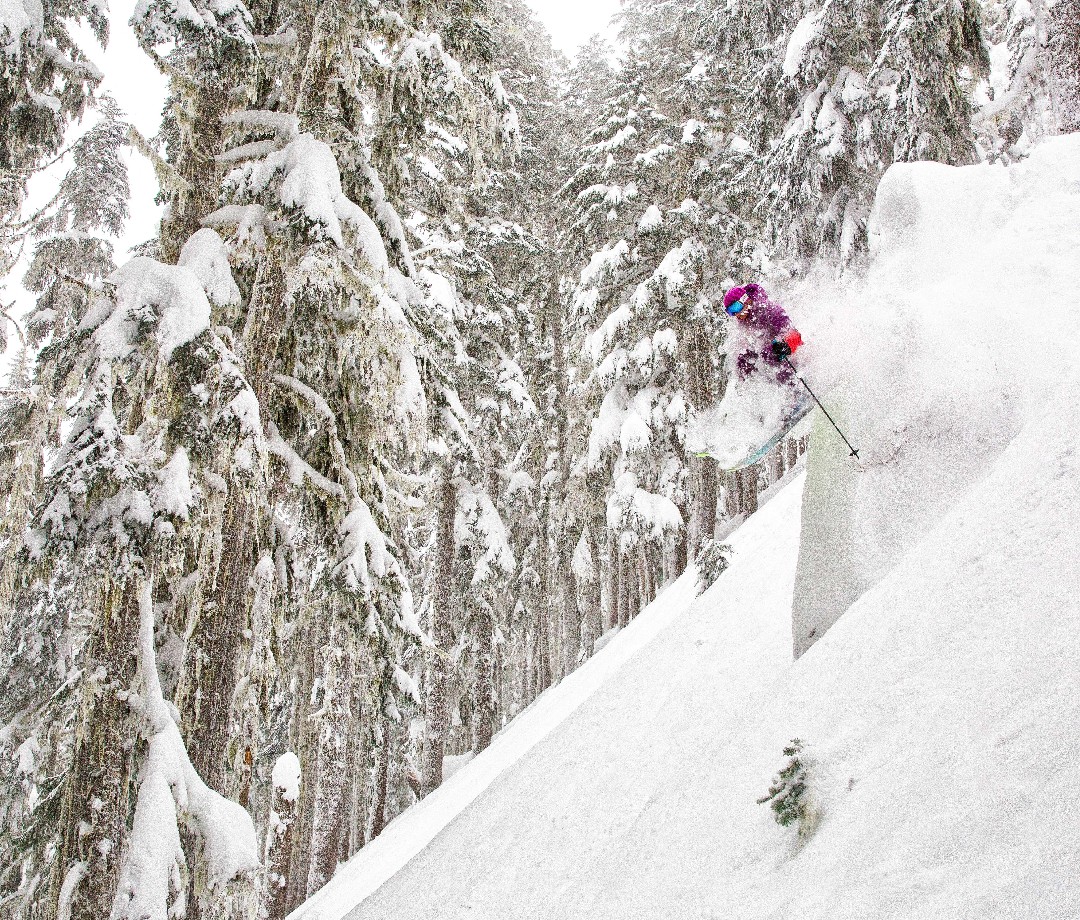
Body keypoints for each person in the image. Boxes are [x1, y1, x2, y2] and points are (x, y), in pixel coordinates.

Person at [723, 282, 803, 385]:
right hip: (776, 376)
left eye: (735, 307)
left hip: (795, 365)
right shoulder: (744, 325)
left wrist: (784, 345)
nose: (736, 314)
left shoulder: (769, 310)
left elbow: (795, 336)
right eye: (730, 311)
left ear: (745, 299)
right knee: (744, 359)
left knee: (767, 353)